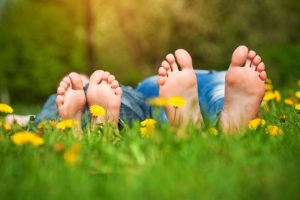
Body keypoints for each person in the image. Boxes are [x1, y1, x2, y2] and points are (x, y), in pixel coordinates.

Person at [7, 45, 267, 133]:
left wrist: (21, 119)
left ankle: (89, 128)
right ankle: (230, 118)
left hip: (153, 89)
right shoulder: (232, 72)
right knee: (215, 91)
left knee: (158, 110)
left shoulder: (158, 81)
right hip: (209, 80)